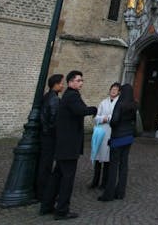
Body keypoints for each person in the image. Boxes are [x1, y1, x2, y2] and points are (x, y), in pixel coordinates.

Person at [40, 70, 97, 220]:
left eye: (81, 80)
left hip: (63, 144)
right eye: (78, 80)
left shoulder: (68, 96)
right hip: (68, 145)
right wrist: (94, 109)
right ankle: (62, 210)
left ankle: (46, 205)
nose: (81, 83)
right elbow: (81, 110)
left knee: (57, 175)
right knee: (67, 178)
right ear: (71, 82)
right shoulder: (72, 96)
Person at [99, 84, 137, 202]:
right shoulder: (134, 105)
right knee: (124, 165)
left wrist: (113, 124)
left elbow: (114, 121)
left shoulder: (119, 104)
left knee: (113, 165)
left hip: (118, 138)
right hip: (128, 138)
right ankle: (120, 192)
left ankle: (108, 194)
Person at [36, 73, 63, 201]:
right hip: (50, 136)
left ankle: (40, 190)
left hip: (44, 134)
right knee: (46, 164)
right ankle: (43, 193)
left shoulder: (47, 96)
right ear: (55, 84)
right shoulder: (54, 99)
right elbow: (54, 119)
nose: (62, 85)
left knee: (43, 163)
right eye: (61, 83)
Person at [89, 83, 120, 190]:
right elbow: (96, 117)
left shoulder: (118, 103)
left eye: (116, 89)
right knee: (98, 157)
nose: (113, 91)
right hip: (101, 131)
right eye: (112, 89)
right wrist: (103, 119)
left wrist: (109, 118)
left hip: (111, 132)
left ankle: (104, 182)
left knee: (107, 158)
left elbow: (117, 116)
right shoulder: (103, 102)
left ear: (118, 92)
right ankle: (95, 180)